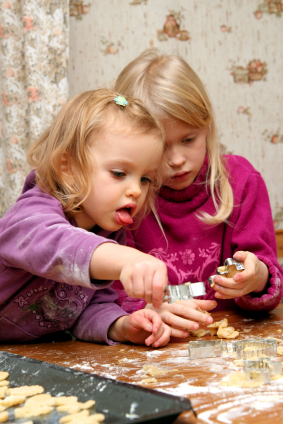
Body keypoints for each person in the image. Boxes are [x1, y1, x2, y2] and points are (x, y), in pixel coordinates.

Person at [112, 48, 283, 338]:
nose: (176, 160)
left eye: (188, 139)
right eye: (162, 146)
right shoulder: (125, 198)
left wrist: (255, 277)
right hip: (154, 345)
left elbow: (267, 281)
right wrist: (148, 313)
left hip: (230, 345)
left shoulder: (242, 183)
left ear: (207, 127)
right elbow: (111, 294)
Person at [0, 88, 173, 348]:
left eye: (145, 178)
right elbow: (57, 245)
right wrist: (127, 259)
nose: (136, 190)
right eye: (118, 173)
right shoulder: (31, 216)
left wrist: (123, 327)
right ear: (67, 168)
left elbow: (87, 308)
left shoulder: (108, 234)